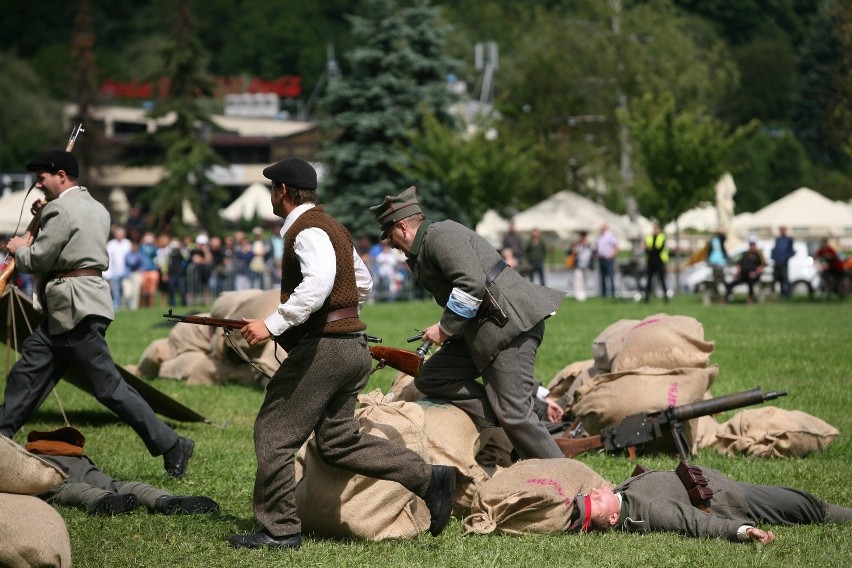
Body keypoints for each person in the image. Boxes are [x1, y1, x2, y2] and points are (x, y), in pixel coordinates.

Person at [230, 159, 456, 550]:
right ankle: (427, 478)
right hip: (351, 348)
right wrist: (344, 317)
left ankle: (280, 530)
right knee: (338, 441)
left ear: (282, 191)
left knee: (274, 433)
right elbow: (361, 282)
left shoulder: (306, 230)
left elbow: (318, 284)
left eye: (272, 189)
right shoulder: (332, 226)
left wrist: (273, 324)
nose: (271, 195)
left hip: (328, 350)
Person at [0, 149, 194, 479]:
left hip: (74, 309)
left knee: (110, 389)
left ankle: (173, 444)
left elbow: (40, 259)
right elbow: (73, 238)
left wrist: (20, 248)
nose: (37, 183)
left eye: (42, 177)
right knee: (27, 375)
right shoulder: (94, 207)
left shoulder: (60, 210)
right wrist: (46, 213)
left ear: (61, 175)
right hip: (74, 309)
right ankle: (2, 438)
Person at [369, 186, 566, 461]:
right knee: (432, 376)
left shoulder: (440, 236)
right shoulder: (427, 246)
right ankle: (503, 408)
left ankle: (569, 483)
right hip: (484, 329)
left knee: (516, 416)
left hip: (509, 326)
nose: (394, 247)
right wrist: (445, 325)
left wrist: (445, 328)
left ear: (402, 227)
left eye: (392, 239)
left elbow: (471, 284)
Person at [569, 463, 852, 542]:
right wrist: (741, 530)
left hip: (722, 485)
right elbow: (695, 523)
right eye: (595, 502)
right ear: (612, 519)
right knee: (811, 507)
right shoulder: (649, 510)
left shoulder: (621, 498)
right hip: (734, 499)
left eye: (589, 496)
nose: (593, 493)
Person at [26, 426, 218, 516]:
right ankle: (162, 498)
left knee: (62, 488)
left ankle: (101, 499)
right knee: (114, 484)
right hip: (72, 454)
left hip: (35, 460)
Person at [725, 237, 766, 304]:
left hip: (753, 276)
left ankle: (750, 299)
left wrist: (755, 273)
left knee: (750, 281)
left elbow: (762, 266)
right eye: (751, 244)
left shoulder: (759, 254)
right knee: (730, 284)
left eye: (753, 244)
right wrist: (737, 274)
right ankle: (726, 299)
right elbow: (739, 265)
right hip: (743, 275)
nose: (752, 246)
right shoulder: (744, 254)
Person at [643, 223, 669, 303]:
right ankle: (646, 298)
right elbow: (646, 249)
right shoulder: (649, 237)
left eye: (657, 229)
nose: (655, 230)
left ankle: (666, 297)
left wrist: (651, 250)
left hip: (659, 261)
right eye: (655, 229)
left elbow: (659, 249)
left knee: (662, 279)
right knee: (649, 280)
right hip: (651, 261)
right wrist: (651, 250)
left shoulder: (662, 237)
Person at [568, 230, 594, 302]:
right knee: (578, 280)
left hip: (586, 266)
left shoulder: (589, 244)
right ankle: (578, 296)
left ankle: (584, 295)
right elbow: (572, 253)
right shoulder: (576, 244)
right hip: (578, 265)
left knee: (585, 280)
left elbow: (592, 253)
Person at [706, 226, 729, 304]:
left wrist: (721, 232)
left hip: (721, 262)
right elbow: (709, 250)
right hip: (714, 262)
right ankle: (717, 297)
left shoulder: (720, 239)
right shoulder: (713, 239)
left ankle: (723, 297)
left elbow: (724, 238)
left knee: (722, 280)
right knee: (715, 281)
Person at [770, 225, 795, 298]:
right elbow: (775, 250)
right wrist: (774, 258)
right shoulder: (778, 239)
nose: (782, 231)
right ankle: (782, 293)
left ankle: (788, 293)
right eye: (781, 229)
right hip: (777, 262)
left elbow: (791, 250)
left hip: (784, 262)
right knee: (779, 278)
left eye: (783, 229)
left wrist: (786, 258)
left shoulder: (789, 239)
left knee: (785, 278)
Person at [596, 223, 619, 298]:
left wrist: (611, 255)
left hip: (608, 259)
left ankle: (613, 294)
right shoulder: (599, 236)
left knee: (611, 276)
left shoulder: (610, 236)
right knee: (602, 277)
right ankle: (604, 294)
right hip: (601, 258)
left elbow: (616, 247)